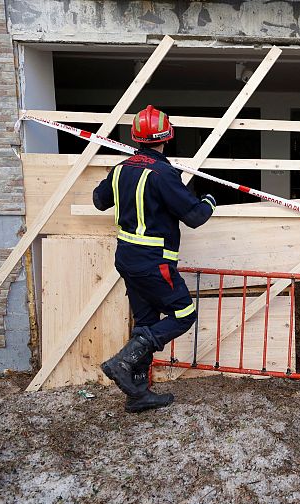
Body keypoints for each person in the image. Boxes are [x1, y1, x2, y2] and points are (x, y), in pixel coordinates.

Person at [93, 105, 216, 413]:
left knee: (147, 321)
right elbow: (196, 216)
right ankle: (124, 361)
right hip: (153, 261)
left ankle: (138, 394)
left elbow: (98, 201)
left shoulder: (121, 168)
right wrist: (210, 199)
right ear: (167, 137)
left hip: (127, 258)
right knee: (184, 314)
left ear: (135, 137)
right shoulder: (163, 174)